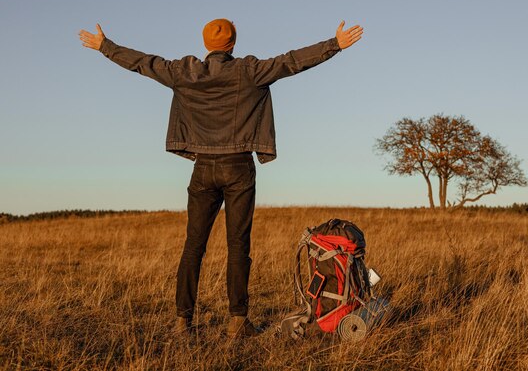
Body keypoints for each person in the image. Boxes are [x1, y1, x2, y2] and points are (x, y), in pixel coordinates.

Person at [78, 18, 363, 337]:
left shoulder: (184, 71)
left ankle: (182, 320)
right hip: (239, 167)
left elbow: (145, 63)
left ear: (206, 45)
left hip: (203, 169)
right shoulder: (249, 70)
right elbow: (291, 62)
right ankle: (237, 321)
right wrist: (335, 44)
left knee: (193, 246)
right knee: (238, 245)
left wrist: (105, 46)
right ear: (233, 44)